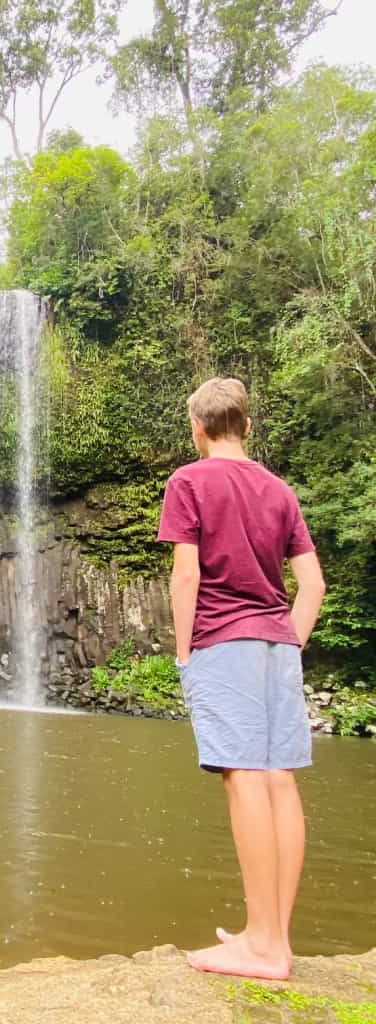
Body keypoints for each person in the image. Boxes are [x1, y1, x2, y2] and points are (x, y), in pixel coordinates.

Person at [156, 376, 326, 981]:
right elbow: (313, 585)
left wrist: (184, 654)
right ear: (246, 427)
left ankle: (261, 947)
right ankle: (272, 938)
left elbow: (186, 577)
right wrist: (288, 643)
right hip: (277, 644)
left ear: (197, 430)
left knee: (244, 778)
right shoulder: (279, 490)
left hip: (222, 641)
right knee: (280, 778)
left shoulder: (189, 480)